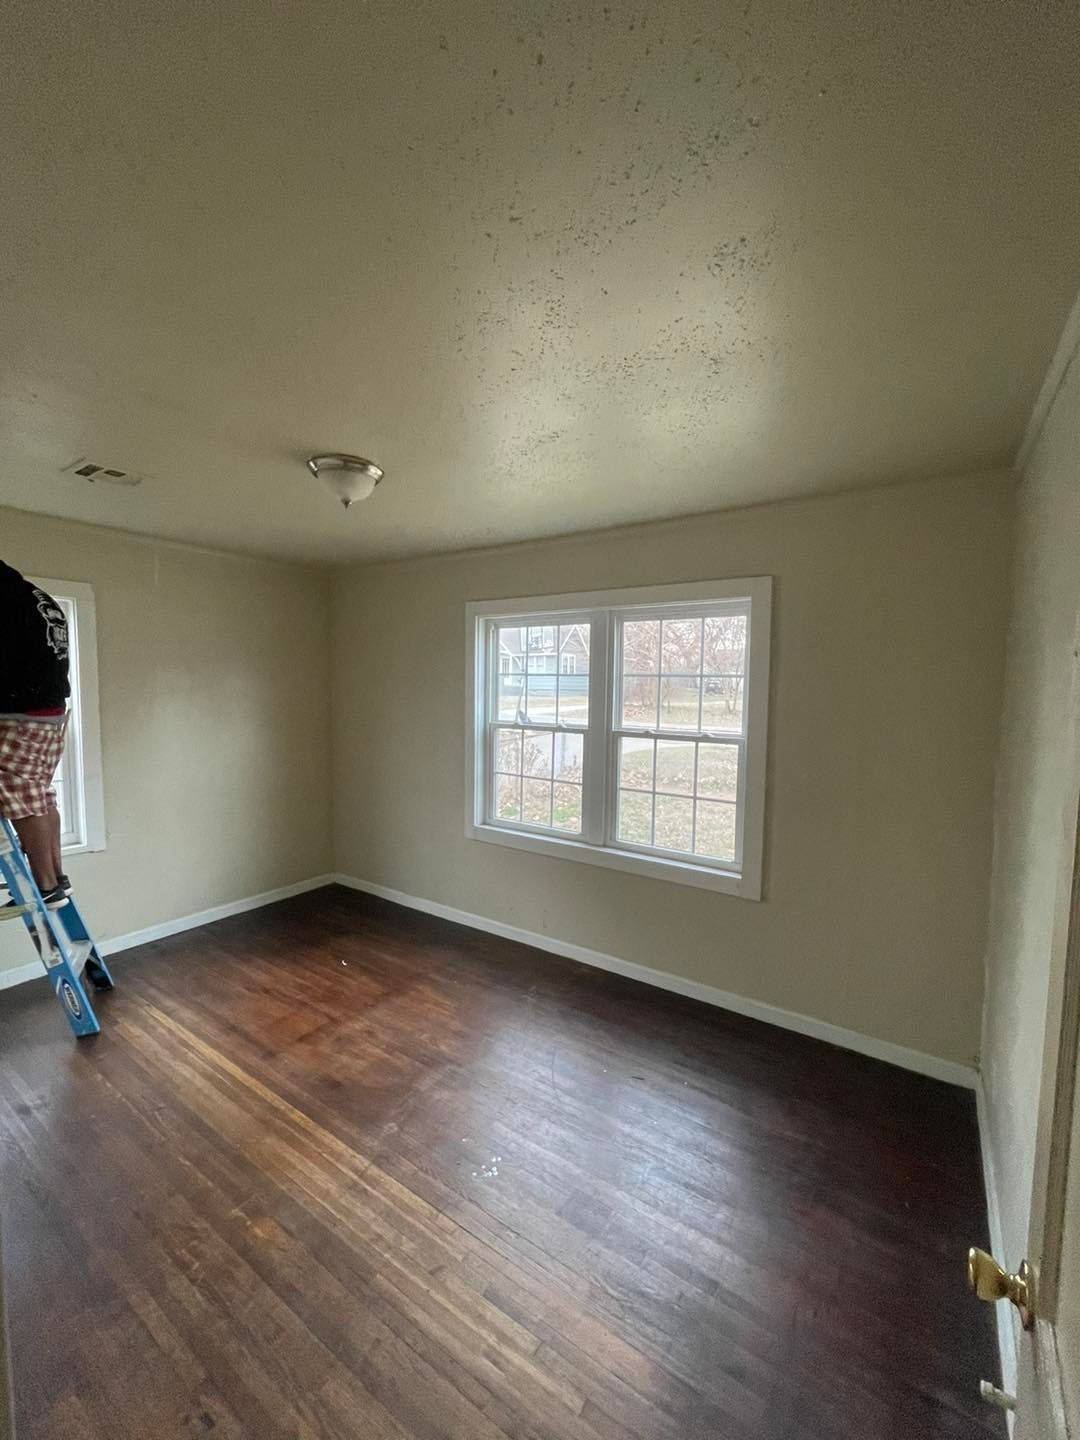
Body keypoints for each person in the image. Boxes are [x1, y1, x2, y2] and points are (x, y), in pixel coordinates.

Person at [0, 559, 72, 908]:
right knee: (39, 795)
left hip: (22, 712)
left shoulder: (5, 599)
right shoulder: (38, 598)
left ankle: (44, 887)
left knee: (22, 798)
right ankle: (56, 877)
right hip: (49, 711)